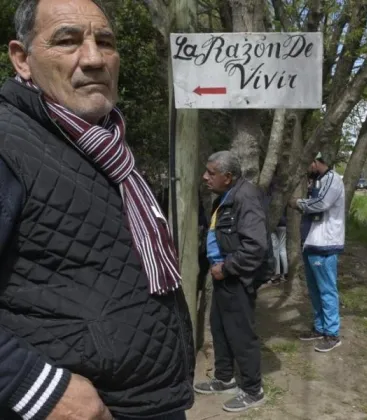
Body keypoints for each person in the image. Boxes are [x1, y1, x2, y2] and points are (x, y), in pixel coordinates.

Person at [0, 1, 195, 419]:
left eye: (104, 42)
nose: (93, 59)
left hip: (149, 402)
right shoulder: (8, 144)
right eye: (67, 41)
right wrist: (35, 387)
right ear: (22, 59)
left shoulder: (102, 147)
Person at [194, 151, 267, 413]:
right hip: (222, 275)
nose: (205, 177)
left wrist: (226, 268)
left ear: (228, 176)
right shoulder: (226, 195)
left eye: (211, 173)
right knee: (221, 328)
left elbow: (255, 247)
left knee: (241, 334)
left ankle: (252, 390)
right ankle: (224, 378)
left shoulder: (246, 197)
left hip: (235, 277)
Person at [288, 152, 345, 353]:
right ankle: (320, 328)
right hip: (311, 243)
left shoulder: (333, 180)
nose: (306, 169)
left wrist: (298, 203)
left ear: (316, 161)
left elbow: (322, 204)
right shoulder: (318, 181)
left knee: (327, 289)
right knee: (314, 289)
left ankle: (332, 334)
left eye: (308, 164)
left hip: (325, 243)